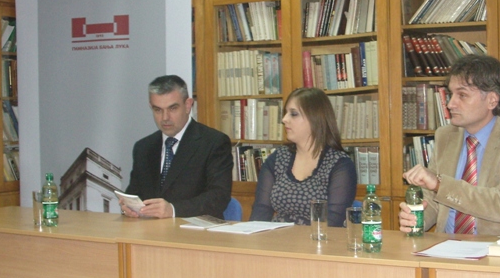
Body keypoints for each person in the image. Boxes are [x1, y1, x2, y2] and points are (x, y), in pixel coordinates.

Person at [398, 55, 500, 236]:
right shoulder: (445, 136)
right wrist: (416, 219)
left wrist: (440, 184)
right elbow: (434, 200)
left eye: (462, 95)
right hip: (448, 245)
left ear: (492, 100)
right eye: (451, 94)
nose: (450, 104)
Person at [119, 75, 232, 219]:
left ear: (188, 105)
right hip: (150, 228)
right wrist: (129, 207)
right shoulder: (143, 147)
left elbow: (219, 197)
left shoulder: (214, 143)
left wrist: (172, 210)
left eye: (172, 109)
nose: (165, 117)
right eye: (158, 110)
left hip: (193, 228)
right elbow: (134, 193)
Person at [250, 87, 357, 227]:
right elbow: (261, 210)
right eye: (286, 113)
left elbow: (333, 222)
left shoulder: (339, 164)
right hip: (277, 237)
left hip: (318, 238)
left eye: (293, 114)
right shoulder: (278, 158)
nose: (284, 119)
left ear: (315, 119)